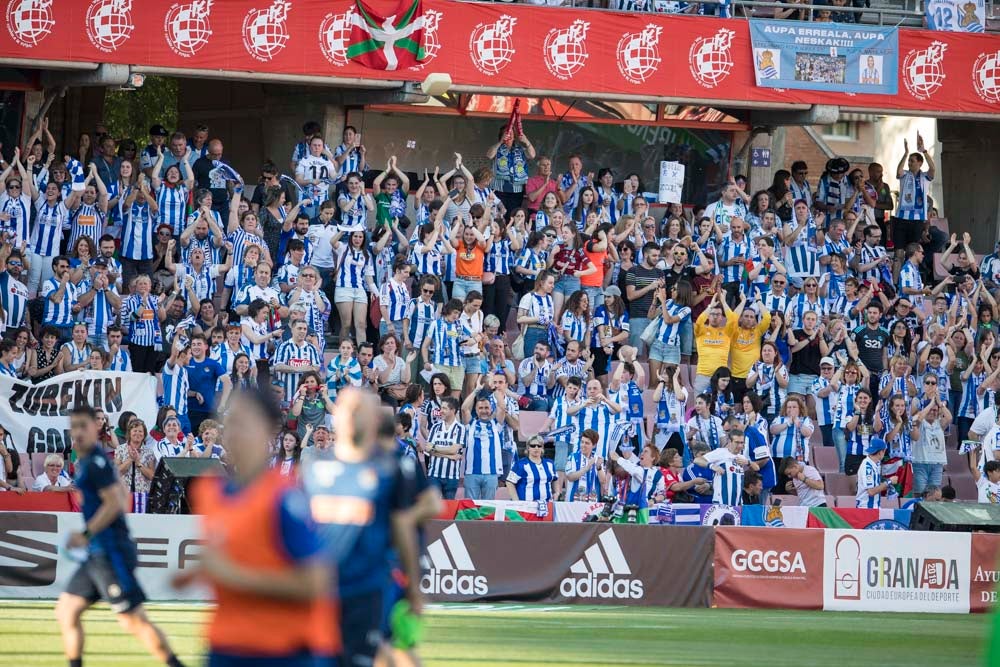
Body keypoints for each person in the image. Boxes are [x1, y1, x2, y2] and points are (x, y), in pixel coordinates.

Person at [178, 390, 337, 666]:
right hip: (224, 644)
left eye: (243, 423)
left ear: (266, 431)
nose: (232, 433)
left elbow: (316, 582)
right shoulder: (208, 490)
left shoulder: (285, 497)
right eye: (229, 423)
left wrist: (232, 575)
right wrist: (195, 574)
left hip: (282, 649)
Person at [302, 389, 426, 667]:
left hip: (366, 591)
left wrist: (413, 587)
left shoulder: (390, 468)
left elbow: (403, 529)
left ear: (373, 420)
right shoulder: (314, 468)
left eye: (361, 412)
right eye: (349, 410)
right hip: (321, 592)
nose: (354, 418)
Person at [56, 405, 187, 667]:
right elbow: (123, 493)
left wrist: (86, 533)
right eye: (74, 427)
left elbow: (116, 502)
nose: (78, 432)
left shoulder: (96, 463)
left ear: (96, 427)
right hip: (97, 554)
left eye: (83, 426)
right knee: (66, 610)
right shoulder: (94, 460)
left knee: (133, 621)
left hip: (111, 553)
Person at [461, 390, 506, 500]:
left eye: (486, 408)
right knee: (470, 507)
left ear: (491, 409)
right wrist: (476, 391)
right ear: (476, 410)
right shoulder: (470, 424)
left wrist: (496, 390)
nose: (484, 411)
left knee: (488, 507)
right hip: (471, 473)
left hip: (491, 473)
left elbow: (502, 407)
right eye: (480, 408)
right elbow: (464, 409)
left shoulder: (496, 424)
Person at [693, 291, 739, 394]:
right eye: (712, 314)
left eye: (718, 314)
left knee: (719, 404)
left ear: (722, 317)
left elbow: (733, 320)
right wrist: (709, 307)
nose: (715, 317)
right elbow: (699, 322)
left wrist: (723, 302)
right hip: (703, 376)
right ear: (708, 316)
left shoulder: (726, 332)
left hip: (720, 378)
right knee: (700, 404)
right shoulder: (701, 331)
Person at [694, 429, 749, 506]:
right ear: (729, 441)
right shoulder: (720, 452)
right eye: (737, 442)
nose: (740, 446)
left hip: (738, 503)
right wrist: (712, 466)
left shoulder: (742, 457)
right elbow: (697, 460)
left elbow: (756, 468)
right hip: (721, 502)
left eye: (742, 443)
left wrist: (748, 462)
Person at [506, 435, 556, 502]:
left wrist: (557, 492)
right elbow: (509, 482)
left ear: (542, 448)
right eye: (533, 446)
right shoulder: (520, 464)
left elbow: (555, 478)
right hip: (526, 504)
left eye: (539, 446)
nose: (536, 448)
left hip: (546, 504)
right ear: (528, 448)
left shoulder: (550, 464)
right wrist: (516, 500)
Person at [856, 436, 895, 509]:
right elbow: (871, 491)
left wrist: (887, 486)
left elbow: (875, 486)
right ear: (880, 452)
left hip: (875, 507)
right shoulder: (867, 466)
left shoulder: (875, 464)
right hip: (866, 508)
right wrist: (889, 482)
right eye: (884, 451)